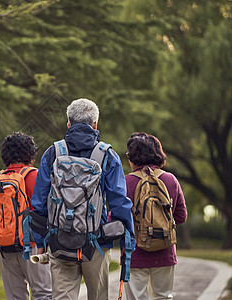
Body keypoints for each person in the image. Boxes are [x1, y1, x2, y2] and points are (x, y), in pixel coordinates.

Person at [30, 98, 135, 300]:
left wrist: (40, 242)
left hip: (59, 240)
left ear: (68, 124)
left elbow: (39, 202)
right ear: (95, 124)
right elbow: (119, 202)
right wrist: (126, 242)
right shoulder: (107, 156)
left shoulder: (53, 153)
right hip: (97, 242)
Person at [124, 132, 188, 300]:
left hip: (135, 252)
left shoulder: (127, 182)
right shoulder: (170, 179)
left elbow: (116, 218)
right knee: (163, 296)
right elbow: (181, 216)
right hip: (165, 249)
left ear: (132, 157)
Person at [0, 132, 52, 300]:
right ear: (31, 154)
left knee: (15, 296)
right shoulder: (35, 175)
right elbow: (47, 210)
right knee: (44, 293)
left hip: (5, 246)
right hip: (33, 244)